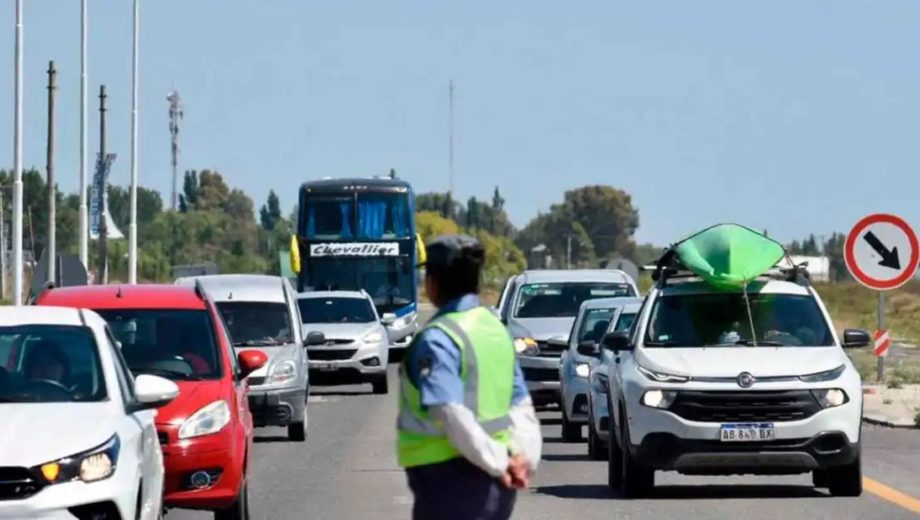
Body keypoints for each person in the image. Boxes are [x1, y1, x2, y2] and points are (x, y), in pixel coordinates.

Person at [397, 235, 542, 520]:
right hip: (497, 482)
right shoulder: (496, 330)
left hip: (452, 481)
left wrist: (500, 463)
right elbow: (522, 406)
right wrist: (523, 459)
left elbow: (450, 414)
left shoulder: (439, 339)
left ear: (433, 283)